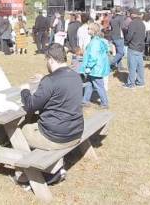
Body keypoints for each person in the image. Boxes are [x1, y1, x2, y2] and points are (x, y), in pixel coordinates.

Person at [19, 43, 83, 181]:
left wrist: (24, 90)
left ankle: (37, 173)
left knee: (20, 131)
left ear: (51, 60)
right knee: (33, 123)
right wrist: (43, 78)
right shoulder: (76, 76)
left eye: (46, 60)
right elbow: (60, 86)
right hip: (76, 132)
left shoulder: (50, 81)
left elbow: (30, 105)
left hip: (56, 136)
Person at [79, 23, 110, 108]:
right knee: (89, 84)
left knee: (99, 86)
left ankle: (105, 103)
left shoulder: (95, 42)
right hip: (95, 68)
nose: (87, 30)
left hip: (95, 68)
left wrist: (88, 67)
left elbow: (93, 57)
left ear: (93, 31)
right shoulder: (95, 40)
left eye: (89, 29)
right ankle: (85, 101)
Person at [124, 9, 146, 89]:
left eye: (129, 14)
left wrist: (126, 41)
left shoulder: (132, 23)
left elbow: (129, 36)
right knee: (140, 66)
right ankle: (140, 82)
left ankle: (131, 83)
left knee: (132, 66)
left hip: (133, 46)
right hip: (140, 47)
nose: (129, 15)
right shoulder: (142, 23)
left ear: (133, 14)